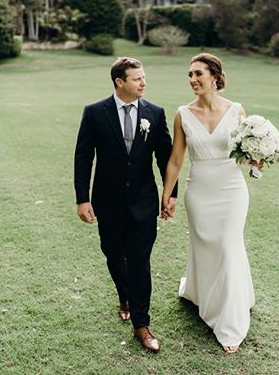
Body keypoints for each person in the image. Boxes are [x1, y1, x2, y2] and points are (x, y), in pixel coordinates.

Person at [74, 57, 177, 353]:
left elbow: (165, 157)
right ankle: (125, 296)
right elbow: (83, 157)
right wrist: (83, 198)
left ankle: (142, 325)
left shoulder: (154, 114)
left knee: (140, 262)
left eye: (144, 77)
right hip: (107, 201)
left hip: (143, 202)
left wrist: (170, 194)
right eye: (137, 79)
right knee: (113, 254)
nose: (143, 82)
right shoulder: (94, 113)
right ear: (120, 82)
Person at [160, 53, 259, 353]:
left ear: (215, 76)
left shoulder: (237, 110)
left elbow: (247, 152)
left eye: (198, 74)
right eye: (189, 75)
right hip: (199, 191)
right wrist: (167, 194)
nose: (192, 80)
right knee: (206, 249)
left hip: (231, 190)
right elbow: (177, 159)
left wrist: (258, 160)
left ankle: (229, 325)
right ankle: (203, 294)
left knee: (229, 247)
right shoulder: (182, 114)